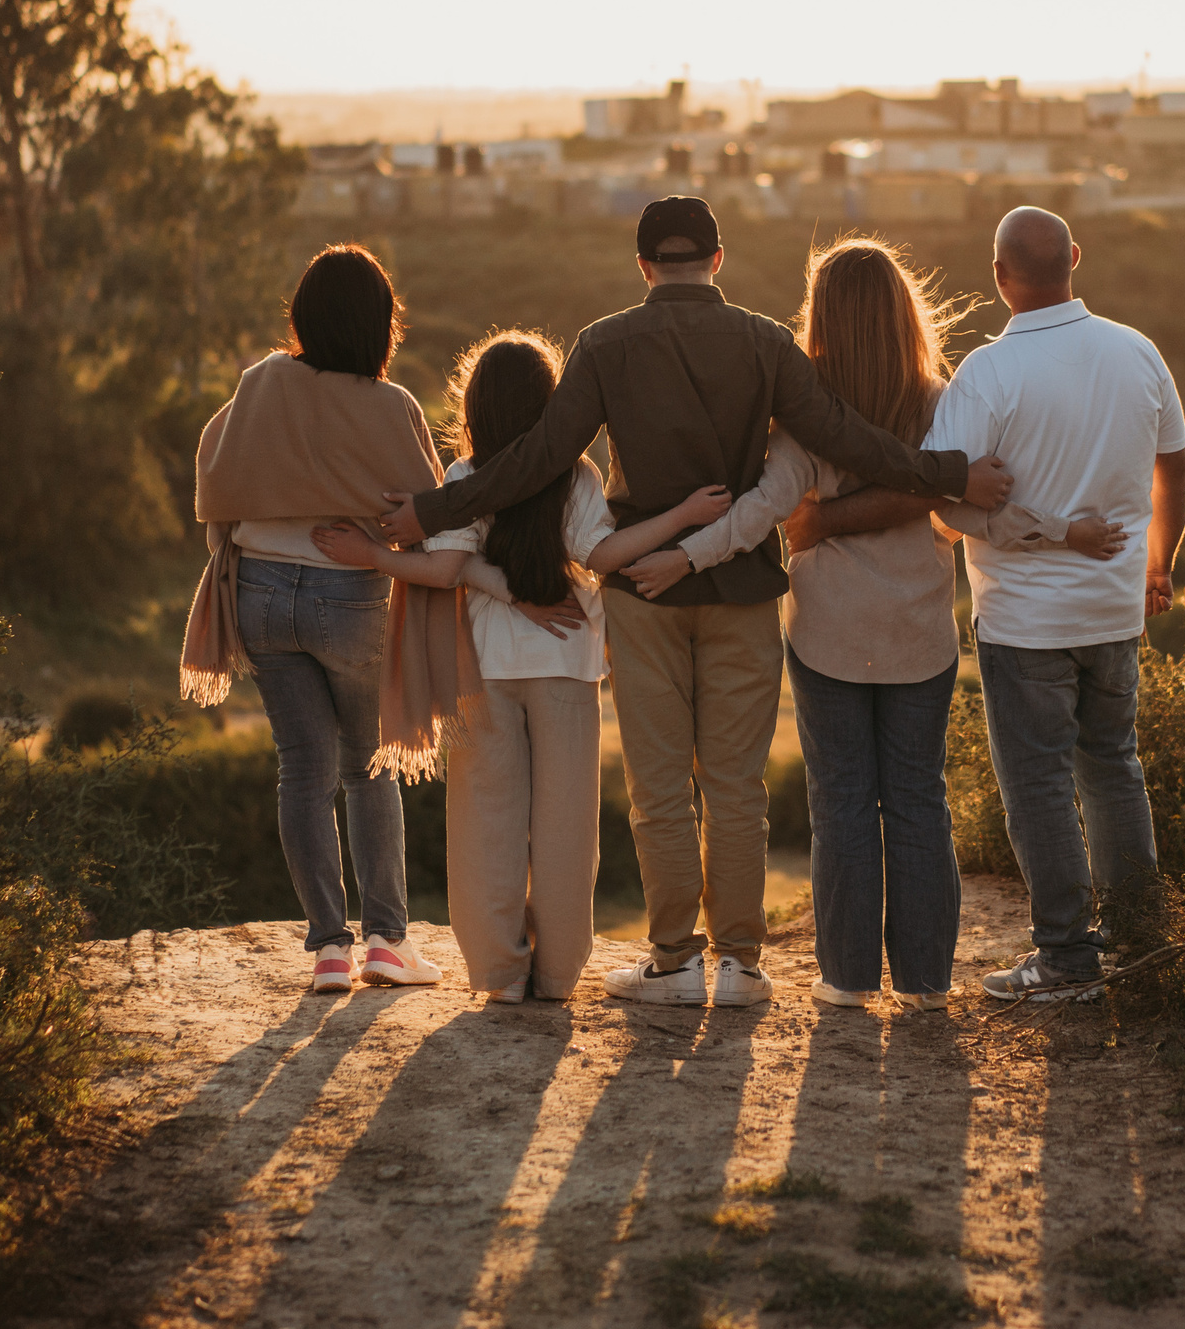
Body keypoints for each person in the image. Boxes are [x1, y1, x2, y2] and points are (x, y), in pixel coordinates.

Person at [376, 198, 1014, 1010]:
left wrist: (431, 513)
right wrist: (948, 474)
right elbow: (848, 439)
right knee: (737, 789)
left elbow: (537, 458)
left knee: (660, 790)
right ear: (718, 258)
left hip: (644, 590)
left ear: (644, 266)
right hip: (742, 586)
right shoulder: (767, 343)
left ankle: (675, 961)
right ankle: (741, 965)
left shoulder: (605, 343)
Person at [626, 237, 1125, 1012]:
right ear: (904, 311)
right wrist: (1063, 531)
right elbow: (971, 505)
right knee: (919, 799)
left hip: (825, 636)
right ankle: (925, 983)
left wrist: (684, 557)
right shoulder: (938, 400)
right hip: (919, 636)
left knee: (843, 802)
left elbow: (762, 513)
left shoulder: (805, 414)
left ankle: (848, 978)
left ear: (819, 316)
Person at [786, 207, 1185, 1003]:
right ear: (1074, 257)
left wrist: (1042, 534)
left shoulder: (988, 375)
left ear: (1001, 277)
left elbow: (949, 501)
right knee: (1114, 768)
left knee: (1036, 784)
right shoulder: (1138, 350)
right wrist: (1158, 563)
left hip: (1024, 622)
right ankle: (1141, 945)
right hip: (1115, 610)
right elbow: (1174, 461)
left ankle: (1068, 957)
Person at [317, 330, 736, 1004]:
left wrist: (372, 556)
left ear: (475, 406)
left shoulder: (465, 476)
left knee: (488, 821)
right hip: (568, 666)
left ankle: (501, 975)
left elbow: (444, 568)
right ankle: (559, 973)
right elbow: (604, 557)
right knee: (568, 827)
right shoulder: (575, 476)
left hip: (486, 665)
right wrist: (684, 515)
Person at [179, 245, 480, 996]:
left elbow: (213, 476)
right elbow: (424, 514)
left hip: (259, 594)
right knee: (366, 763)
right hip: (350, 595)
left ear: (303, 315)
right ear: (381, 325)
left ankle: (327, 950)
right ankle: (385, 938)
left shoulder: (259, 384)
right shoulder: (392, 405)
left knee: (302, 768)